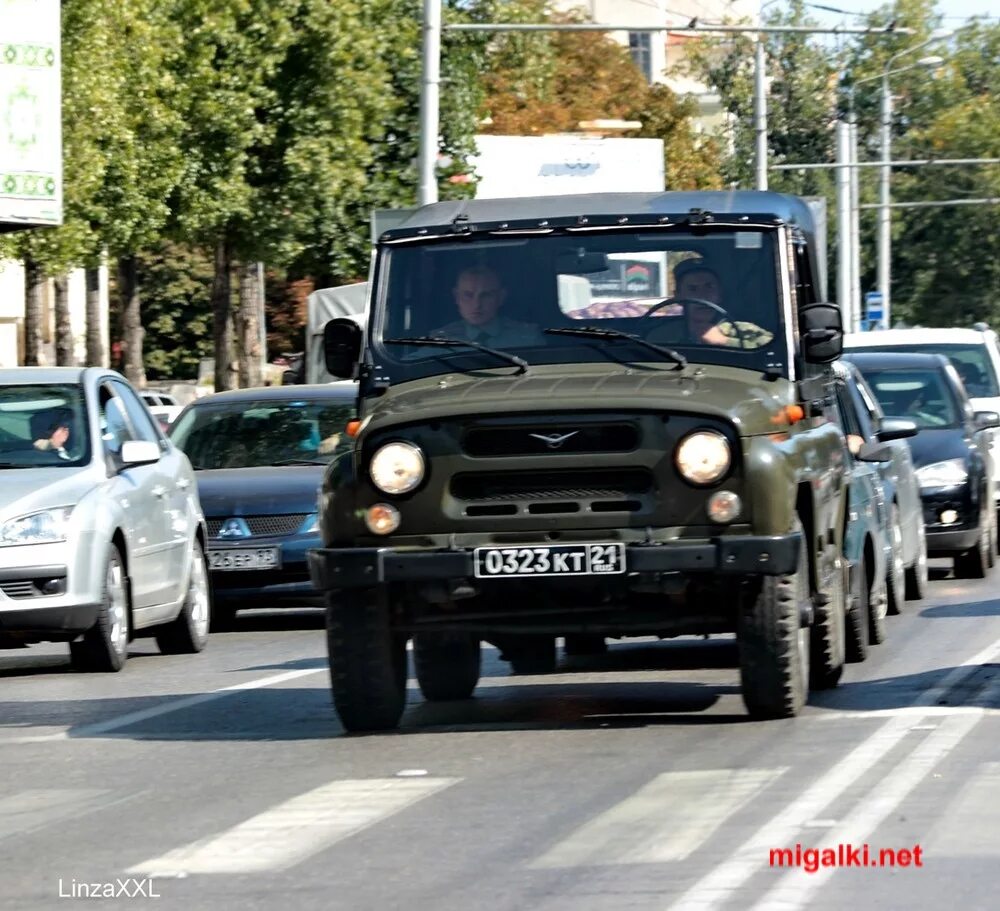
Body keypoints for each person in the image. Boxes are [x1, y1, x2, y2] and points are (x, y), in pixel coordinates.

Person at [673, 259, 774, 350]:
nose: (702, 296)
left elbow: (774, 350)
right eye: (692, 289)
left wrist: (725, 341)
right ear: (678, 297)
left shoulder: (743, 329)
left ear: (720, 294)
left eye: (709, 287)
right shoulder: (663, 332)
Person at [432, 265, 543, 347]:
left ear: (501, 297)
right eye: (468, 295)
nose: (477, 305)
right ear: (456, 297)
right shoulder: (441, 340)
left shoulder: (527, 338)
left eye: (486, 295)